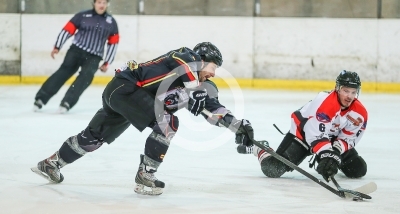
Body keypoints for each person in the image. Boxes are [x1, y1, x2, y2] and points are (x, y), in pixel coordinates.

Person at [31, 42, 255, 196]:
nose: (213, 74)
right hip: (124, 87)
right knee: (167, 123)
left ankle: (51, 164)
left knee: (93, 138)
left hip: (126, 99)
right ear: (203, 60)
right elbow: (184, 63)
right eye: (213, 67)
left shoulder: (195, 89)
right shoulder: (187, 55)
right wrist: (196, 87)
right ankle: (145, 174)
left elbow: (213, 109)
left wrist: (238, 126)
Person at [254, 70, 368, 182]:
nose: (349, 96)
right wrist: (327, 154)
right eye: (346, 91)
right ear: (337, 88)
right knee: (272, 169)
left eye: (353, 92)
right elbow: (314, 133)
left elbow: (349, 137)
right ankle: (262, 148)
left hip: (329, 139)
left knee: (358, 170)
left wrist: (335, 152)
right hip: (302, 134)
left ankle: (321, 156)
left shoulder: (359, 113)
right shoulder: (325, 103)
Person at [33, 0, 119, 113]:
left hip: (94, 56)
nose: (101, 5)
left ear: (107, 4)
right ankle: (41, 98)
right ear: (94, 3)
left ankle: (67, 102)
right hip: (76, 51)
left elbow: (113, 43)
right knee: (63, 72)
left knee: (85, 77)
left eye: (104, 2)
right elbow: (67, 31)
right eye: (99, 2)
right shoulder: (82, 15)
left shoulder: (111, 22)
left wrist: (107, 62)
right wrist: (57, 46)